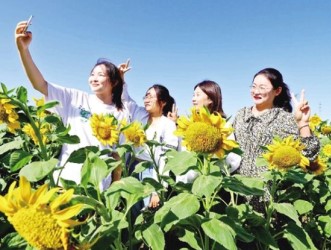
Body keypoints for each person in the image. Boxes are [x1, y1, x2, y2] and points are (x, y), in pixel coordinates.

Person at [15, 20, 148, 189]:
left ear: (114, 82)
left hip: (97, 191)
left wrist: (115, 187)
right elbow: (40, 84)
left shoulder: (120, 113)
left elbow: (117, 155)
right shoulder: (75, 98)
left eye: (100, 75)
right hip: (65, 184)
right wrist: (23, 50)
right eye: (92, 74)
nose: (94, 78)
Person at [233, 68, 320, 178]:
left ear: (277, 91)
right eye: (253, 86)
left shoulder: (284, 119)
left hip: (269, 190)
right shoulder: (241, 115)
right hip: (236, 190)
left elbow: (309, 155)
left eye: (262, 87)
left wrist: (303, 123)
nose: (256, 91)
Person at [169, 80, 241, 183]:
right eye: (193, 95)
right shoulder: (191, 123)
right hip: (187, 185)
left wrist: (211, 171)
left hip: (213, 184)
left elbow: (232, 160)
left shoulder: (222, 125)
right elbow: (183, 149)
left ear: (211, 99)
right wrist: (175, 124)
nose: (193, 99)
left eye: (198, 95)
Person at [130, 84, 178, 209]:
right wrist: (122, 78)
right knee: (131, 207)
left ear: (162, 102)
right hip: (133, 167)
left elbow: (166, 158)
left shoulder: (168, 125)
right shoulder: (140, 113)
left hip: (152, 171)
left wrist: (157, 189)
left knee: (147, 209)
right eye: (145, 96)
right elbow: (125, 99)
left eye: (150, 97)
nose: (146, 99)